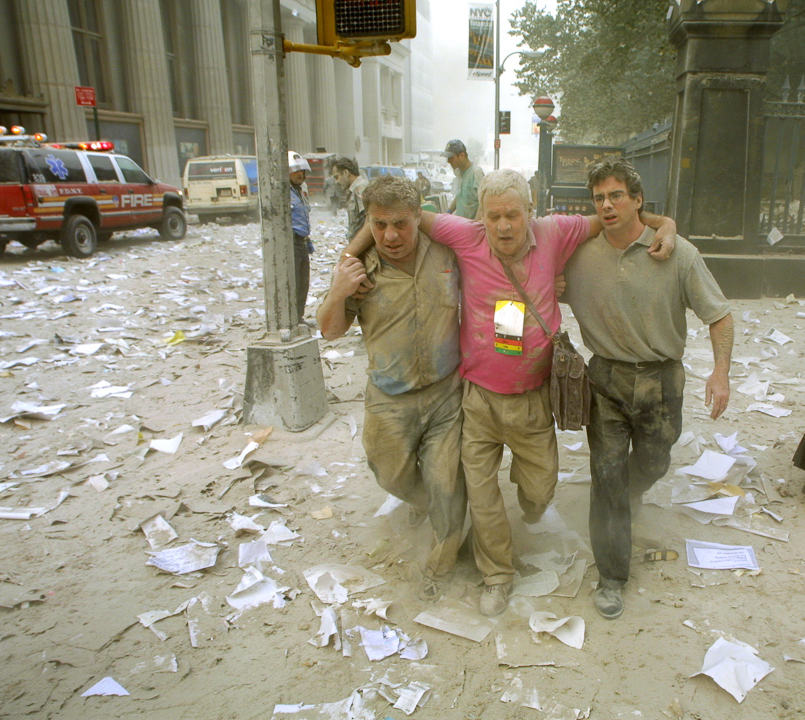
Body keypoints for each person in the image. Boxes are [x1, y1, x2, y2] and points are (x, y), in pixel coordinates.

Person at [341, 169, 678, 616]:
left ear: (530, 211)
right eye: (494, 215)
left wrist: (664, 224)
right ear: (480, 216)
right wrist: (347, 258)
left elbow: (614, 220)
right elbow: (394, 216)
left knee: (539, 494)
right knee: (483, 498)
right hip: (477, 400)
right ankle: (496, 575)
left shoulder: (556, 231)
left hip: (533, 400)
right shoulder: (464, 237)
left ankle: (529, 503)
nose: (503, 226)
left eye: (513, 215)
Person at [563, 159, 734, 620]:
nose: (607, 204)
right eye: (599, 197)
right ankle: (612, 576)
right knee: (607, 474)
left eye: (617, 195)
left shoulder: (677, 254)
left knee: (655, 462)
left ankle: (631, 493)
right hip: (606, 380)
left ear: (638, 200)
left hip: (662, 379)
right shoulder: (579, 255)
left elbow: (718, 315)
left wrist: (721, 371)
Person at [316, 176, 466, 602]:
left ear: (419, 216)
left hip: (445, 394)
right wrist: (339, 289)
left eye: (401, 223)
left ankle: (443, 562)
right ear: (368, 222)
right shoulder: (358, 270)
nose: (391, 235)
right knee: (392, 476)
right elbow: (329, 330)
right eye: (379, 225)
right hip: (388, 398)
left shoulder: (447, 252)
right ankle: (424, 504)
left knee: (446, 482)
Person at [288, 150, 313, 322]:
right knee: (293, 282)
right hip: (291, 242)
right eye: (295, 170)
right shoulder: (282, 193)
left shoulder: (300, 191)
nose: (299, 174)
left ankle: (299, 317)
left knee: (303, 282)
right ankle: (290, 319)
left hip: (302, 242)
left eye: (302, 171)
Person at [441, 139, 484, 219]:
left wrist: (476, 224)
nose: (448, 161)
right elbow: (459, 196)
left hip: (472, 225)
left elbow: (483, 203)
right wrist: (448, 212)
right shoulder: (460, 174)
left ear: (462, 155)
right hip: (462, 224)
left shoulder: (476, 173)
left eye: (451, 158)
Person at [333, 157, 365, 239]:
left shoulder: (361, 189)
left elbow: (366, 223)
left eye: (337, 177)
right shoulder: (354, 190)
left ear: (346, 173)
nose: (337, 182)